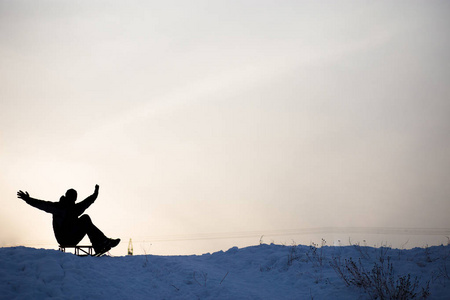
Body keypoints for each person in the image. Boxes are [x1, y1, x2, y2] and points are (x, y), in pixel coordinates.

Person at [17, 184, 120, 255]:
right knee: (85, 219)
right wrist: (28, 199)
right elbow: (43, 205)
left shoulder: (74, 208)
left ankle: (101, 244)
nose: (74, 201)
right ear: (68, 197)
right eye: (73, 198)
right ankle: (101, 244)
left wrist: (95, 195)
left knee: (85, 218)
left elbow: (86, 202)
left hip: (72, 237)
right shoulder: (59, 207)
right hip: (64, 238)